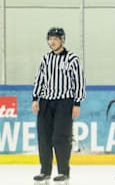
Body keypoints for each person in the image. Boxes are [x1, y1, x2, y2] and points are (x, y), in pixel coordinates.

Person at [32, 27, 86, 185]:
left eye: (55, 38)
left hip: (64, 102)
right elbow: (39, 79)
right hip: (46, 102)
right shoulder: (45, 59)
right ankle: (45, 171)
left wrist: (77, 102)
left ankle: (63, 172)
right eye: (50, 38)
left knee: (61, 138)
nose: (52, 41)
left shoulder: (72, 59)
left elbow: (79, 81)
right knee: (44, 137)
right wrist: (35, 98)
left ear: (62, 40)